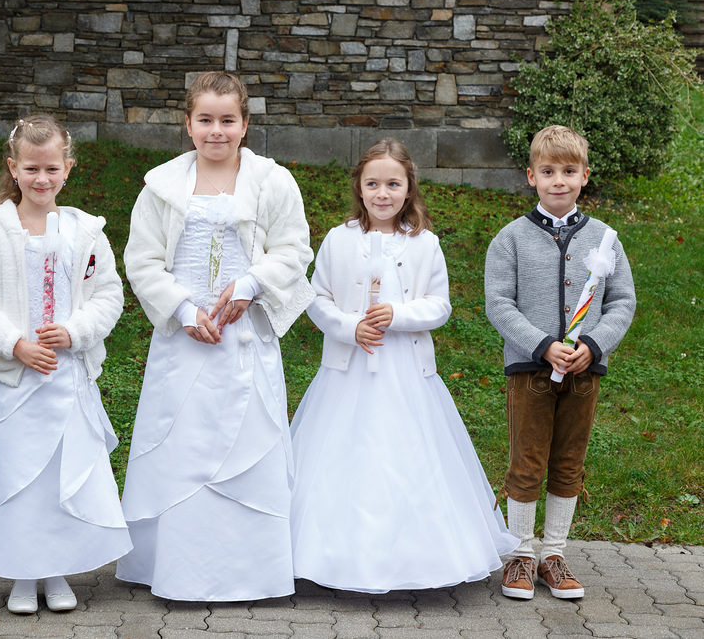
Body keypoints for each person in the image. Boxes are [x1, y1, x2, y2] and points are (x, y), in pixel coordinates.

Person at [116, 71, 315, 601]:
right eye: (205, 120)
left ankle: (251, 573)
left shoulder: (272, 182)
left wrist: (251, 285)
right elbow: (142, 260)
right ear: (188, 124)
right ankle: (176, 569)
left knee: (248, 443)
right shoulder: (161, 187)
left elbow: (293, 248)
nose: (216, 131)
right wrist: (182, 310)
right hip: (184, 341)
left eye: (228, 120)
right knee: (182, 445)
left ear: (245, 124)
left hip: (243, 337)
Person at [289, 139, 518, 593]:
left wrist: (398, 314)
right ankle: (331, 557)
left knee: (408, 455)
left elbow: (439, 305)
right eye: (373, 184)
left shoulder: (425, 245)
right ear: (359, 187)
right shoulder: (338, 239)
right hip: (349, 369)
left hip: (406, 371)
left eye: (393, 184)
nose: (383, 193)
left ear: (409, 188)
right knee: (344, 455)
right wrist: (351, 327)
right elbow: (316, 298)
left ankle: (417, 558)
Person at [0, 115, 131, 614]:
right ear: (13, 168)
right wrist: (15, 344)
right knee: (19, 477)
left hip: (68, 378)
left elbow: (109, 295)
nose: (42, 179)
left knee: (59, 479)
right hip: (16, 382)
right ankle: (22, 572)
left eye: (51, 169)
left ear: (68, 169)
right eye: (32, 169)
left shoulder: (86, 232)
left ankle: (57, 569)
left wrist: (76, 331)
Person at [485, 125, 635, 600]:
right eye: (548, 172)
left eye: (569, 171)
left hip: (583, 373)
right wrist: (542, 345)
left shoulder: (606, 239)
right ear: (531, 176)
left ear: (584, 176)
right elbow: (498, 303)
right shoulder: (510, 238)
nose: (559, 181)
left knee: (569, 462)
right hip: (529, 371)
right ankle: (520, 555)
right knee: (526, 462)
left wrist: (594, 344)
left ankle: (553, 553)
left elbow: (622, 301)